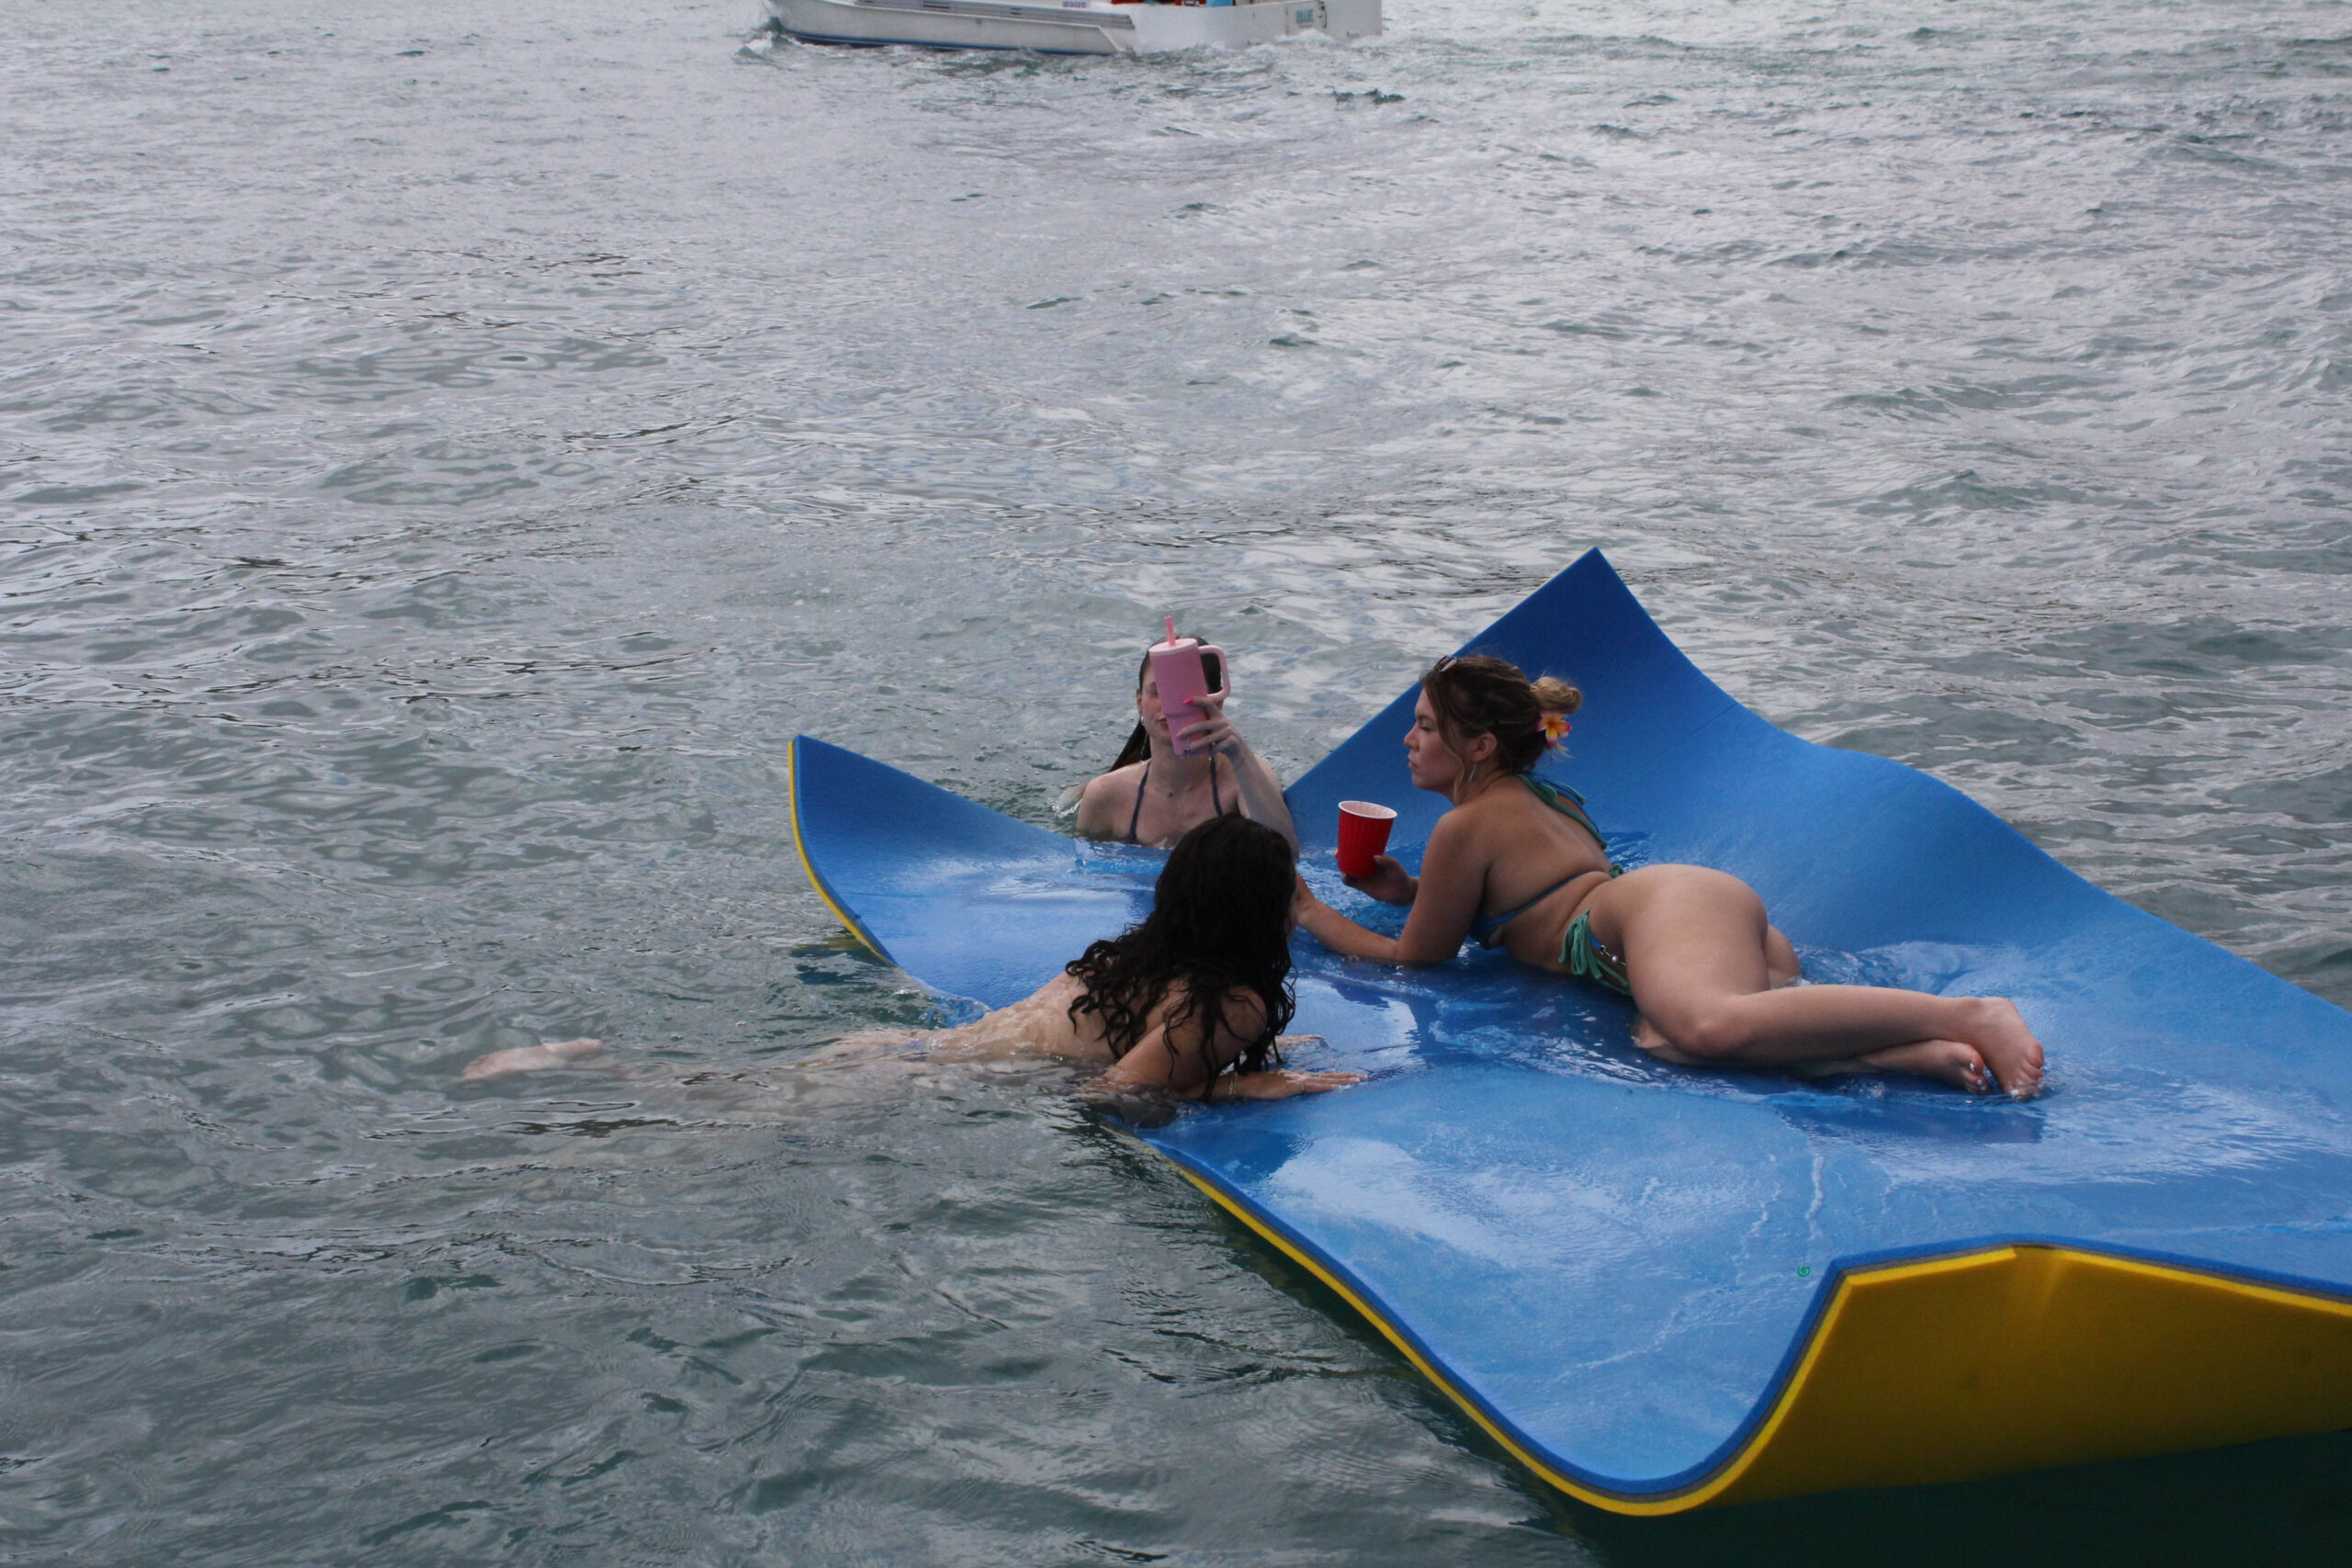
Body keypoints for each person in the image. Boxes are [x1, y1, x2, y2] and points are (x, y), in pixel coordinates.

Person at [1289, 655, 2047, 1100]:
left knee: (1708, 1024)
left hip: (1657, 913)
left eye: (1425, 725)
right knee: (1669, 1040)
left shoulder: (1463, 825)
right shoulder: (1540, 801)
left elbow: (1420, 958)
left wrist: (1310, 909)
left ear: (1481, 746)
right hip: (1683, 916)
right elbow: (1505, 901)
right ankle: (1905, 1053)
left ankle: (1969, 1015)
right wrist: (1410, 893)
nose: (1408, 739)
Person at [468, 817, 1359, 1104]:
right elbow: (1114, 1097)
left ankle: (585, 1065)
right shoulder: (1228, 1000)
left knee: (729, 1091)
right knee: (684, 1150)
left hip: (891, 1051)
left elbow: (1132, 1051)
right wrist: (1251, 1086)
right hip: (915, 1090)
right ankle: (539, 1145)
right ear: (1254, 908)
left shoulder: (1138, 958)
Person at [1073, 645, 1298, 851]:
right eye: (1157, 691)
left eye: (1184, 691)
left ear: (1216, 702)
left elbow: (1284, 855)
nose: (1170, 705)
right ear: (1140, 703)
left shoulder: (1247, 776)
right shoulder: (1105, 795)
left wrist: (1239, 756)